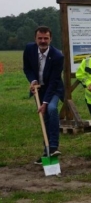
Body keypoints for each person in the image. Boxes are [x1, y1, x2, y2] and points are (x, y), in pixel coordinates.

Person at [23, 26, 64, 164]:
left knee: (51, 109)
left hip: (53, 88)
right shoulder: (29, 49)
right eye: (40, 38)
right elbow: (27, 68)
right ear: (35, 39)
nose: (43, 41)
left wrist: (45, 102)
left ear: (50, 39)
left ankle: (53, 147)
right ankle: (46, 151)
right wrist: (33, 80)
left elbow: (54, 81)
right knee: (44, 119)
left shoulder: (58, 56)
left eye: (46, 38)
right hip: (38, 89)